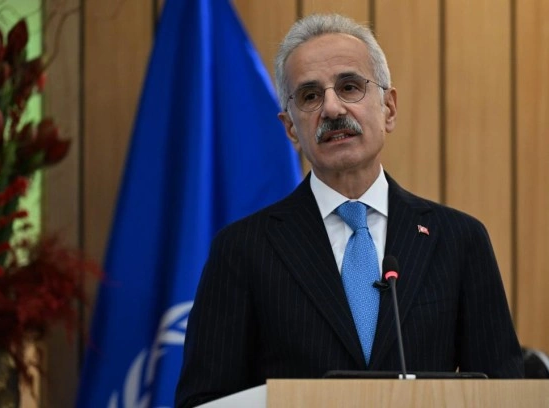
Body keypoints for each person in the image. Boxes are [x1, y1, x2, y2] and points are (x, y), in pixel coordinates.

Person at [175, 13, 523, 407]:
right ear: (290, 128)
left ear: (388, 107)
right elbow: (205, 401)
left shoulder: (458, 240)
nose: (331, 108)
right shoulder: (242, 249)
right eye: (310, 96)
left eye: (350, 87)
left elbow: (506, 393)